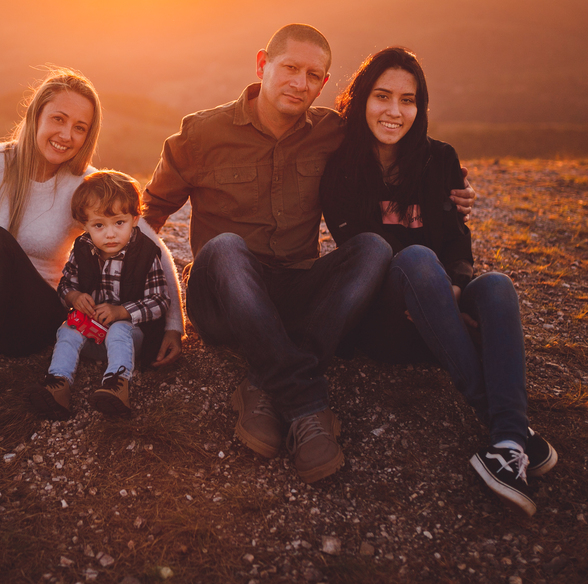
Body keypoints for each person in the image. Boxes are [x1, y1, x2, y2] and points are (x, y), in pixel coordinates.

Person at [143, 24, 476, 484]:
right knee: (225, 248)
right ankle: (306, 402)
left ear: (325, 83)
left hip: (296, 289)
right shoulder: (202, 134)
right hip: (223, 296)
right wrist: (161, 314)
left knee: (373, 248)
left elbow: (397, 155)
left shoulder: (333, 133)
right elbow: (147, 216)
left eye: (314, 75)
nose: (301, 83)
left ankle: (264, 382)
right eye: (290, 68)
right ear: (263, 64)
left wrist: (451, 189)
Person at [0, 69, 183, 464]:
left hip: (28, 321)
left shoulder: (84, 185)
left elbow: (149, 242)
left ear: (88, 136)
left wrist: (173, 323)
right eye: (58, 119)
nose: (66, 134)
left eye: (80, 128)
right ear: (36, 116)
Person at [320, 46, 557, 515]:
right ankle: (499, 419)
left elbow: (457, 239)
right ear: (362, 98)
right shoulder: (339, 166)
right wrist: (430, 279)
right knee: (415, 258)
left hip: (439, 314)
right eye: (382, 96)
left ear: (419, 107)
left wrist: (452, 285)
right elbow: (368, 250)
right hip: (385, 320)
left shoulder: (441, 160)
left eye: (407, 100)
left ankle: (507, 445)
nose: (394, 111)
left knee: (495, 286)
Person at [33, 170, 169, 418]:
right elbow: (65, 284)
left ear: (135, 219)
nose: (110, 233)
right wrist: (73, 297)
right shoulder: (83, 248)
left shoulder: (146, 254)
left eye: (119, 222)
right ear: (85, 226)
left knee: (119, 328)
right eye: (99, 225)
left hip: (132, 339)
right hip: (92, 335)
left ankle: (117, 386)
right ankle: (58, 384)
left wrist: (122, 311)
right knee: (68, 328)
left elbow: (160, 301)